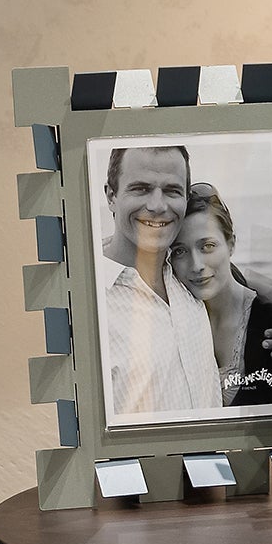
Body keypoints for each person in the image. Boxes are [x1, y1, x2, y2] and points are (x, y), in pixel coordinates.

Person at [96, 144, 220, 420]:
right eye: (140, 189)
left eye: (172, 191)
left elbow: (243, 296)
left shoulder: (192, 275)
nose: (157, 206)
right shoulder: (89, 302)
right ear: (112, 196)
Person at [169, 184, 272, 408]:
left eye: (207, 246)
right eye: (180, 251)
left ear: (231, 244)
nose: (196, 265)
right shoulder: (173, 324)